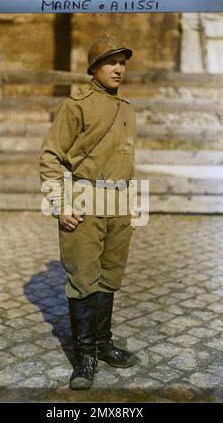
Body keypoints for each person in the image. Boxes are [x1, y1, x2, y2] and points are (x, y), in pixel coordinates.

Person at [40, 35, 138, 390]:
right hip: (84, 204)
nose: (118, 68)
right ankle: (84, 357)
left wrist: (134, 206)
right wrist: (60, 203)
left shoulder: (127, 108)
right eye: (111, 62)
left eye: (122, 62)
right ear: (94, 68)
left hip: (119, 207)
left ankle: (103, 344)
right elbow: (50, 157)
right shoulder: (76, 105)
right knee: (83, 280)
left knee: (110, 276)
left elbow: (127, 161)